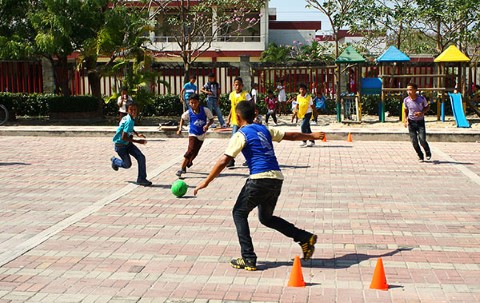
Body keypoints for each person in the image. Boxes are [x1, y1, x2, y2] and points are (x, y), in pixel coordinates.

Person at [194, 101, 325, 271]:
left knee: (239, 213)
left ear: (238, 116)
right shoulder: (263, 129)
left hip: (259, 179)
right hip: (276, 179)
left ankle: (248, 258)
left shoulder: (240, 134)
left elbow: (224, 160)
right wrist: (311, 136)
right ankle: (304, 237)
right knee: (266, 218)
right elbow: (290, 136)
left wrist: (206, 181)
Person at [111, 103, 152, 186]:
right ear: (127, 111)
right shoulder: (129, 121)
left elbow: (130, 128)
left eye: (135, 110)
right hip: (121, 146)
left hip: (127, 144)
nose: (133, 111)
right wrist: (138, 141)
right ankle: (115, 161)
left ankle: (141, 179)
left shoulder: (128, 118)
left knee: (141, 157)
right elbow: (123, 137)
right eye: (131, 110)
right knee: (127, 165)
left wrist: (137, 134)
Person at [176, 94, 214, 178]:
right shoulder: (188, 112)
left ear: (198, 102)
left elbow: (211, 119)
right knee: (190, 150)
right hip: (192, 133)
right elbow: (182, 118)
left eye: (195, 103)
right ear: (189, 103)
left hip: (201, 134)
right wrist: (180, 128)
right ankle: (181, 169)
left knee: (195, 153)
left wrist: (207, 125)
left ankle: (187, 163)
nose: (193, 105)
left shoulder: (205, 110)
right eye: (191, 103)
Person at [226, 77, 251, 168]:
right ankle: (231, 160)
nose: (237, 86)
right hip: (235, 121)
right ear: (233, 85)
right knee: (233, 140)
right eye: (236, 84)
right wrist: (228, 118)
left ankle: (249, 159)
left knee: (245, 141)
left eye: (239, 84)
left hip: (244, 122)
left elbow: (251, 105)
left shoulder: (246, 95)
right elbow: (232, 108)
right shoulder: (231, 95)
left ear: (242, 85)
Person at [403, 82, 432, 162]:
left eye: (411, 89)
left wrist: (421, 113)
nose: (409, 91)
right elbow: (405, 111)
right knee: (414, 141)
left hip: (420, 122)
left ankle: (427, 152)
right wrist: (405, 120)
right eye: (407, 90)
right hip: (411, 122)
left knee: (422, 140)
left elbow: (427, 107)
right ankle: (420, 155)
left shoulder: (421, 99)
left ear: (415, 90)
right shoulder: (406, 100)